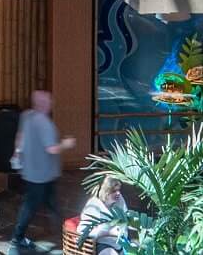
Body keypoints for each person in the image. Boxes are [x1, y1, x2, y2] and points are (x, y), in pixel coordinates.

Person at [9, 89, 75, 251]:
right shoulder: (44, 122)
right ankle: (17, 237)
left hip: (32, 171)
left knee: (50, 203)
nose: (50, 103)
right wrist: (67, 144)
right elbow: (52, 149)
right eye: (48, 101)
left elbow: (20, 137)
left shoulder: (26, 115)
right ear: (44, 104)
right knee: (32, 206)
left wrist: (17, 155)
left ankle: (64, 234)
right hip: (42, 174)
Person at [76, 177, 130, 251]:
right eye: (114, 191)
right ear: (106, 192)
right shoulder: (93, 205)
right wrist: (108, 232)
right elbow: (82, 231)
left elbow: (126, 216)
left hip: (122, 243)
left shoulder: (119, 199)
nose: (118, 193)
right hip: (103, 244)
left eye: (118, 190)